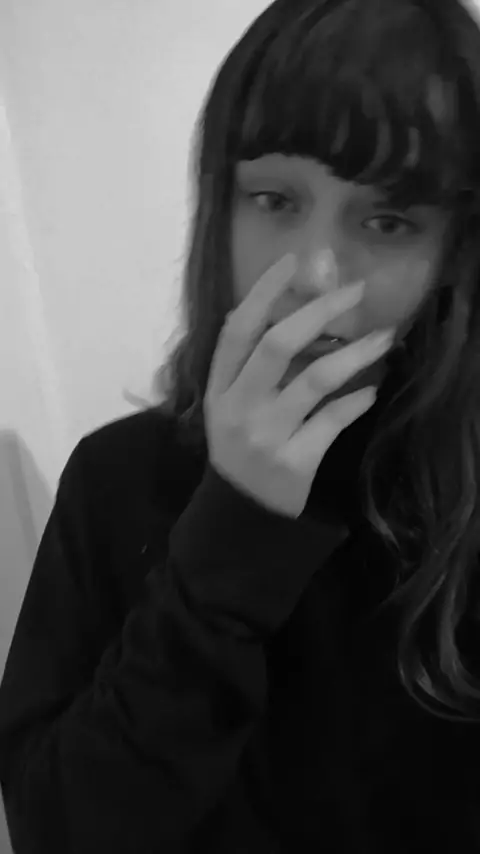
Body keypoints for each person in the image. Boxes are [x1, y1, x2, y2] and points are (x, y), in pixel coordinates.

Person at [1, 0, 480, 850]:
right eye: (274, 199)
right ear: (219, 205)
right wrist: (232, 537)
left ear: (452, 251)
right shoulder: (116, 480)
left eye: (389, 221)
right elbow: (58, 830)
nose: (315, 274)